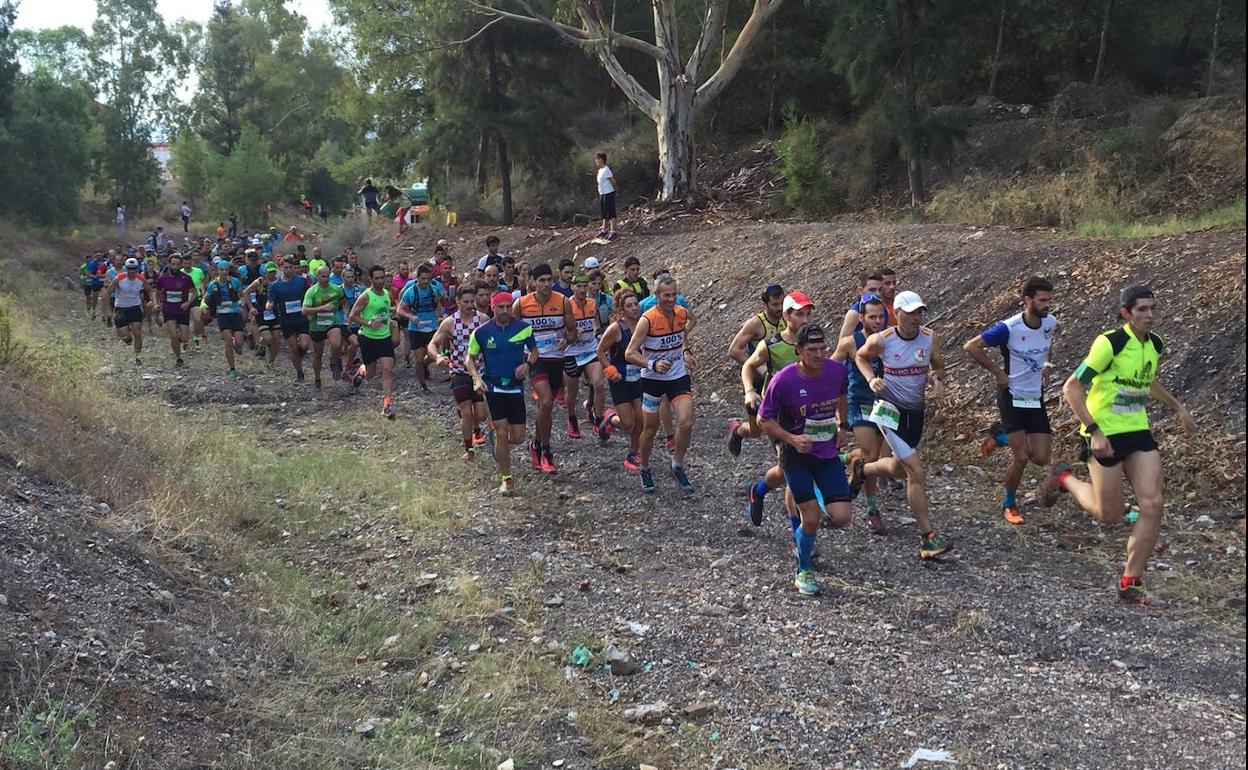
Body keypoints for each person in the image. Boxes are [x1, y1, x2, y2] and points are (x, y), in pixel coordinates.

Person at [1038, 285, 1196, 606]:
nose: (1150, 315)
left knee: (1152, 503)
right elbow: (1072, 388)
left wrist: (1178, 408)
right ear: (1126, 313)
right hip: (1104, 434)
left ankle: (1130, 582)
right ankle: (1065, 480)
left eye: (1153, 308)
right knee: (1108, 515)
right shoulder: (1109, 343)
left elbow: (1147, 382)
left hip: (1137, 431)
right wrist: (1094, 430)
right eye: (1142, 310)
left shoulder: (1156, 344)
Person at [848, 291, 951, 560]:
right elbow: (860, 357)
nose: (917, 318)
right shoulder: (883, 340)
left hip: (916, 413)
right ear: (898, 314)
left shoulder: (929, 338)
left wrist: (937, 381)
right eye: (912, 313)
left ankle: (864, 468)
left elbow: (938, 367)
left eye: (920, 312)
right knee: (916, 472)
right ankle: (928, 537)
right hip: (890, 412)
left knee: (899, 469)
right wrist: (871, 379)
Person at [757, 324, 853, 596]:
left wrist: (843, 425)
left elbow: (842, 393)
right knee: (810, 519)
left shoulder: (836, 370)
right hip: (795, 456)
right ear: (798, 351)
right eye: (812, 350)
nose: (819, 354)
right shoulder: (784, 379)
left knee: (842, 517)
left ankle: (810, 499)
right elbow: (765, 419)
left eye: (822, 349)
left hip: (826, 452)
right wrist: (791, 439)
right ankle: (803, 569)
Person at [963, 277, 1057, 525]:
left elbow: (1047, 343)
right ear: (1027, 301)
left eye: (1049, 300)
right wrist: (998, 373)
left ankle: (999, 436)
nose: (1047, 305)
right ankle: (1009, 503)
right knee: (1022, 457)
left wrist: (1046, 364)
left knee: (1041, 457)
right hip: (1011, 395)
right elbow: (972, 346)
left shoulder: (1050, 323)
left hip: (1034, 396)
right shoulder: (1009, 327)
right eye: (1042, 300)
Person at [741, 292, 812, 526]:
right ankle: (798, 535)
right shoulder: (772, 345)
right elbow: (748, 366)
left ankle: (758, 491)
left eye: (807, 314)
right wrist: (750, 391)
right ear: (786, 315)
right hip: (777, 413)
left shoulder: (812, 342)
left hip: (805, 410)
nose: (804, 319)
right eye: (799, 314)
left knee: (785, 470)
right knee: (793, 474)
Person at [624, 275, 697, 493]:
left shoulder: (681, 313)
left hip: (677, 376)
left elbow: (681, 333)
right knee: (650, 428)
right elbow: (630, 353)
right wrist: (652, 364)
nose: (671, 299)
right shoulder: (647, 320)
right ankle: (645, 467)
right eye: (666, 295)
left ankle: (677, 464)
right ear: (656, 296)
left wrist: (686, 351)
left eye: (674, 294)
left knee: (685, 422)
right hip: (652, 380)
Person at [466, 292, 540, 495]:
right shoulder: (481, 332)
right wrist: (477, 379)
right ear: (493, 307)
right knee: (501, 430)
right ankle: (506, 479)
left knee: (517, 437)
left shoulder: (523, 328)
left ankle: (497, 442)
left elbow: (534, 351)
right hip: (492, 387)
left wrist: (527, 364)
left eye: (508, 306)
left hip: (515, 388)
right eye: (501, 307)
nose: (505, 310)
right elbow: (469, 359)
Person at [831, 294, 889, 535]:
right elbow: (830, 370)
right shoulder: (850, 342)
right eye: (872, 317)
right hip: (859, 402)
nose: (877, 321)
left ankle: (843, 460)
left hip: (886, 405)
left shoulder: (890, 339)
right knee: (872, 456)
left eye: (881, 317)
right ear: (862, 317)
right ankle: (872, 510)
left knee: (879, 463)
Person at [514, 264, 577, 473]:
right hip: (534, 358)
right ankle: (546, 451)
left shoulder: (562, 301)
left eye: (549, 280)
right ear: (532, 282)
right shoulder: (521, 304)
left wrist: (566, 340)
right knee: (547, 401)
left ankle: (536, 444)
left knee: (545, 407)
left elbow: (572, 332)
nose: (547, 284)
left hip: (556, 358)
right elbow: (512, 334)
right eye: (542, 280)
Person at [727, 284, 787, 456]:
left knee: (776, 427)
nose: (779, 308)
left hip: (780, 382)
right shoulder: (756, 324)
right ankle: (738, 430)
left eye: (782, 303)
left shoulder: (787, 319)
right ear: (765, 304)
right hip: (758, 382)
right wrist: (760, 368)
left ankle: (784, 462)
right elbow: (734, 350)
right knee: (756, 431)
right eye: (775, 305)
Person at [430, 285, 489, 459]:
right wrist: (438, 357)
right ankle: (468, 448)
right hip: (458, 371)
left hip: (479, 372)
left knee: (481, 414)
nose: (470, 305)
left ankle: (475, 426)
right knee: (466, 411)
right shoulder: (449, 322)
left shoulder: (483, 319)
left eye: (472, 301)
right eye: (466, 302)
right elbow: (432, 344)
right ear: (457, 301)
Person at [595, 289, 644, 468]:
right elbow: (599, 351)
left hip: (638, 379)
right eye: (629, 306)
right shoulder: (616, 328)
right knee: (628, 423)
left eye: (635, 304)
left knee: (641, 418)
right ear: (621, 310)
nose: (634, 309)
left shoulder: (643, 325)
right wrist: (609, 369)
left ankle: (633, 453)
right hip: (620, 380)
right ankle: (611, 420)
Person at [349, 265, 399, 418]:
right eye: (376, 278)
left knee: (387, 369)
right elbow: (353, 316)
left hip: (384, 338)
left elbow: (383, 312)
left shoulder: (386, 293)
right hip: (368, 338)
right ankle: (362, 371)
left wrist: (390, 321)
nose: (380, 281)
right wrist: (370, 323)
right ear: (371, 279)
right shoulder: (366, 296)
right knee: (371, 373)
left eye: (382, 277)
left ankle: (387, 405)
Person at [563, 273, 606, 438]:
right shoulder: (566, 305)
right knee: (573, 391)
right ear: (573, 287)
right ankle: (572, 418)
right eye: (578, 286)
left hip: (590, 349)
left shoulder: (592, 303)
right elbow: (561, 327)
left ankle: (599, 420)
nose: (582, 290)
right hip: (572, 352)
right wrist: (572, 331)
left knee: (599, 384)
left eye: (584, 286)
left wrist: (597, 332)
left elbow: (595, 321)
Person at [397, 264, 445, 390]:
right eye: (423, 279)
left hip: (431, 327)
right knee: (418, 359)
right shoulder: (410, 292)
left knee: (431, 355)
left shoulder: (433, 290)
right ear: (417, 278)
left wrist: (441, 316)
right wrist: (411, 317)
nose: (425, 282)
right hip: (416, 328)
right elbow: (399, 310)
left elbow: (438, 304)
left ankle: (424, 365)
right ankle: (423, 383)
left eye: (428, 279)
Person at [302, 266, 348, 390]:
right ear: (317, 277)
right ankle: (317, 378)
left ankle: (334, 361)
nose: (326, 279)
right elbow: (304, 311)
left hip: (332, 322)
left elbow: (344, 302)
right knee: (318, 355)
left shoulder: (337, 289)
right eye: (323, 276)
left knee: (336, 343)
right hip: (316, 325)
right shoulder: (312, 291)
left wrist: (346, 314)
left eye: (328, 276)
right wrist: (321, 308)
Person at [268, 258, 313, 381]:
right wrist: (269, 305)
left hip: (301, 318)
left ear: (294, 268)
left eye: (290, 267)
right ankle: (299, 372)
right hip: (286, 320)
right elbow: (270, 300)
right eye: (285, 267)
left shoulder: (302, 281)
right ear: (281, 268)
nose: (288, 270)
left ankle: (299, 356)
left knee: (304, 345)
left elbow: (310, 294)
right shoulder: (275, 285)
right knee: (293, 348)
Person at [102, 258, 148, 366]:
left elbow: (149, 290)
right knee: (125, 336)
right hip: (121, 308)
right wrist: (108, 310)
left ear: (137, 269)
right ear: (125, 269)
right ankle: (127, 338)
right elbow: (107, 293)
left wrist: (152, 303)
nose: (131, 271)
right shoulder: (119, 278)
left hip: (135, 307)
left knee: (138, 334)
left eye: (134, 269)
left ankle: (138, 357)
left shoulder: (141, 279)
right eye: (129, 269)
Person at [205, 260, 246, 379]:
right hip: (222, 314)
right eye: (221, 270)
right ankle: (232, 369)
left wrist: (242, 304)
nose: (224, 272)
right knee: (228, 341)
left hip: (234, 313)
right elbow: (206, 297)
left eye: (226, 270)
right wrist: (204, 305)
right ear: (218, 271)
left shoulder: (235, 281)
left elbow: (242, 295)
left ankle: (237, 345)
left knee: (239, 341)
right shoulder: (213, 284)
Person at [156, 253, 196, 367]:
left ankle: (179, 340)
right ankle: (179, 358)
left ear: (181, 265)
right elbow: (156, 292)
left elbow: (194, 292)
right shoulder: (163, 278)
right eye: (173, 264)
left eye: (178, 265)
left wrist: (188, 302)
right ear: (169, 264)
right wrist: (156, 304)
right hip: (168, 309)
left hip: (182, 310)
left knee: (185, 338)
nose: (175, 267)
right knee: (173, 335)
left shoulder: (186, 278)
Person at [838, 268, 898, 339]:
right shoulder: (854, 313)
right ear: (860, 291)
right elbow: (842, 342)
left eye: (880, 290)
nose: (877, 294)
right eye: (872, 290)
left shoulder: (884, 310)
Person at [243, 263, 280, 365]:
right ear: (265, 272)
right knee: (268, 338)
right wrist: (251, 307)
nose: (271, 274)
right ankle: (261, 345)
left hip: (275, 313)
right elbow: (245, 292)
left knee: (276, 340)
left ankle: (271, 363)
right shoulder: (260, 282)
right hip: (262, 313)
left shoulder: (279, 282)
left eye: (273, 272)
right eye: (269, 272)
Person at [595, 152, 618, 240]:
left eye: (598, 159)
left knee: (611, 213)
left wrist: (613, 191)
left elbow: (613, 181)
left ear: (602, 160)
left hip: (609, 193)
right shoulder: (600, 170)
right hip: (602, 193)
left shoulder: (606, 170)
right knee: (604, 213)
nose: (596, 160)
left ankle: (613, 231)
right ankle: (604, 230)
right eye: (596, 159)